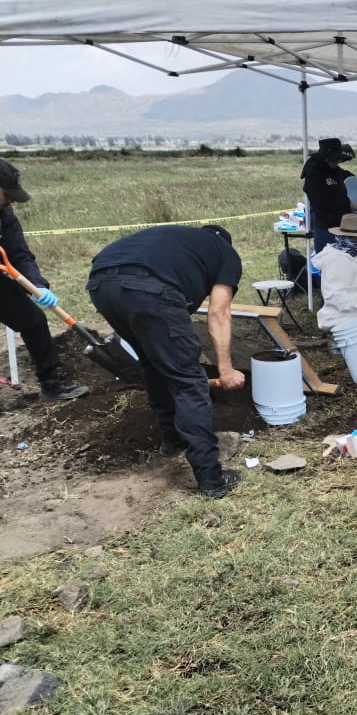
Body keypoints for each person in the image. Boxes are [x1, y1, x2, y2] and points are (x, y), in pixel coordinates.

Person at [85, 224, 245, 499]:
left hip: (101, 284)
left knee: (152, 362)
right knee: (189, 381)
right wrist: (226, 370)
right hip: (149, 289)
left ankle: (172, 440)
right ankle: (211, 480)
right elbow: (219, 313)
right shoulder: (226, 254)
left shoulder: (181, 241)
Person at [0, 159, 89, 401]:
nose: (11, 201)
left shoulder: (4, 214)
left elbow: (20, 254)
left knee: (34, 320)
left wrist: (38, 285)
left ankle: (51, 385)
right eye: (7, 194)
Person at [313, 213, 357, 331]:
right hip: (341, 320)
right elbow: (334, 297)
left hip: (353, 314)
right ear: (352, 239)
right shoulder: (337, 261)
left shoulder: (347, 255)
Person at [301, 137, 356, 254]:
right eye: (334, 159)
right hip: (325, 228)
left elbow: (351, 179)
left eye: (338, 159)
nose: (337, 162)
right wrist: (347, 203)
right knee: (328, 261)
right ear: (325, 159)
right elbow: (321, 201)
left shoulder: (336, 171)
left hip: (343, 225)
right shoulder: (314, 174)